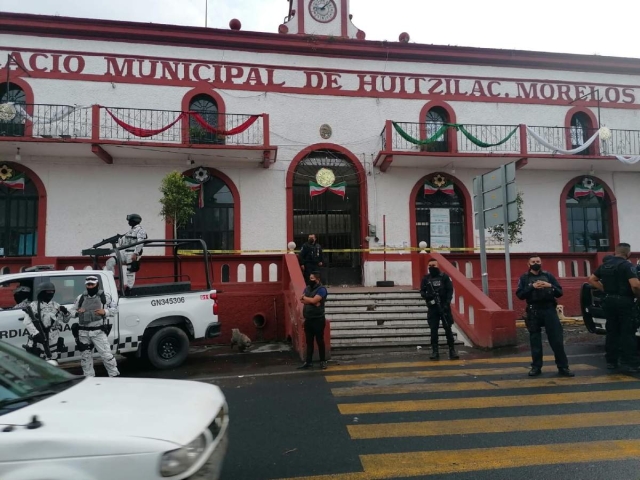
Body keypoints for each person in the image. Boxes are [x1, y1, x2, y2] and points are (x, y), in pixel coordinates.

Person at [516, 255, 574, 377]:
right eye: (533, 261)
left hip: (549, 310)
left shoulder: (548, 276)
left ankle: (563, 367)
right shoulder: (524, 278)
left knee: (557, 340)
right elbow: (520, 295)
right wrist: (532, 287)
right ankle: (536, 367)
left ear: (541, 263)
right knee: (535, 341)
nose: (536, 263)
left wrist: (549, 286)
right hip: (533, 311)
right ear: (528, 264)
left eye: (538, 261)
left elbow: (560, 292)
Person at [587, 243, 640, 372]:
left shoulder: (605, 265)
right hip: (624, 302)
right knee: (628, 332)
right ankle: (631, 363)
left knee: (612, 332)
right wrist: (638, 297)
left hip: (608, 301)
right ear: (628, 254)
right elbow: (635, 285)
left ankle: (611, 361)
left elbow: (592, 279)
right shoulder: (627, 265)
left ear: (615, 252)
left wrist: (605, 289)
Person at [70, 275, 120, 377]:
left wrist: (105, 311)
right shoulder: (81, 298)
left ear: (96, 284)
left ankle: (114, 376)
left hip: (98, 331)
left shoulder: (105, 297)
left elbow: (115, 310)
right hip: (83, 332)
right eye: (88, 284)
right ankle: (89, 379)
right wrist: (77, 312)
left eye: (92, 284)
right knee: (85, 358)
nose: (90, 286)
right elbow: (71, 311)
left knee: (107, 356)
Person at [22, 282, 71, 364]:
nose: (50, 294)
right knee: (35, 363)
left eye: (52, 292)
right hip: (38, 339)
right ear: (41, 293)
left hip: (53, 339)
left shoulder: (56, 305)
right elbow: (27, 322)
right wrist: (36, 334)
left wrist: (66, 312)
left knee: (52, 362)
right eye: (47, 292)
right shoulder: (33, 306)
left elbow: (66, 320)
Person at [420, 259, 459, 360]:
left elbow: (450, 291)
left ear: (438, 266)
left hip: (444, 307)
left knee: (448, 329)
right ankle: (435, 351)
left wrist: (446, 304)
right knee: (433, 330)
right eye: (430, 265)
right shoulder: (426, 279)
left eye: (434, 265)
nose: (432, 267)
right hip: (433, 308)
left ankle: (452, 350)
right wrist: (428, 296)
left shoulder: (444, 277)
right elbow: (422, 292)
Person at [105, 213, 147, 291]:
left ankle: (129, 288)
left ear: (134, 221)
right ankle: (112, 281)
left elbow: (141, 242)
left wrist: (136, 253)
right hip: (124, 252)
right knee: (109, 262)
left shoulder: (141, 230)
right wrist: (115, 241)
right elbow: (122, 243)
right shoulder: (130, 231)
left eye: (130, 220)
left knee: (130, 271)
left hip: (132, 253)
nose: (128, 222)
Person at [297, 271, 328, 370]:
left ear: (317, 280)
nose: (310, 280)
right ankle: (308, 362)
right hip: (308, 319)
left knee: (320, 341)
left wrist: (307, 299)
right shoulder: (307, 288)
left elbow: (313, 300)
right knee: (309, 342)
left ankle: (323, 361)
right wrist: (313, 301)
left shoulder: (322, 289)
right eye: (309, 278)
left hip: (318, 319)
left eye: (312, 279)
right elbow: (301, 300)